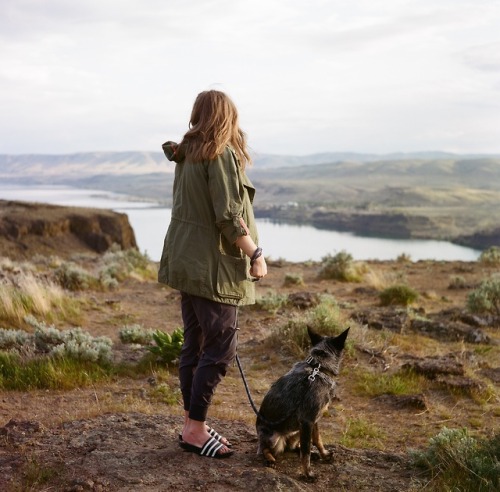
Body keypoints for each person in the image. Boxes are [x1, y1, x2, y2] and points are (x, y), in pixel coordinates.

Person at [158, 90, 267, 459]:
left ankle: (193, 424)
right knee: (220, 347)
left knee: (196, 343)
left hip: (188, 262)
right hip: (211, 267)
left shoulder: (187, 154)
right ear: (227, 117)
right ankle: (194, 428)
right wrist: (256, 254)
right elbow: (228, 217)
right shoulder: (218, 153)